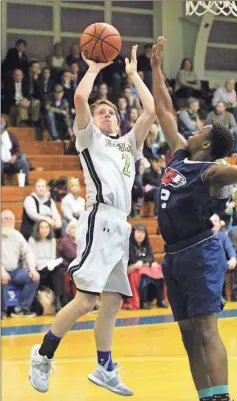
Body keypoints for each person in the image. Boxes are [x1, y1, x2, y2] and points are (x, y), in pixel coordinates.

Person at [29, 45, 155, 395]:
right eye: (102, 113)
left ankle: (104, 368)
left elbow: (152, 110)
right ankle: (42, 354)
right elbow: (82, 98)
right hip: (99, 218)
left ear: (119, 119)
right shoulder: (90, 139)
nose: (106, 115)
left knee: (112, 303)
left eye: (111, 112)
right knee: (87, 301)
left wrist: (134, 77)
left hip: (121, 225)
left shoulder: (129, 144)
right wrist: (95, 68)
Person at [151, 36, 236, 401]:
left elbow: (232, 171)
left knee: (205, 329)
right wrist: (155, 69)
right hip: (173, 255)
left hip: (201, 253)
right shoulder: (181, 157)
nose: (195, 126)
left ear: (207, 143)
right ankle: (206, 396)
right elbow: (164, 109)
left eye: (201, 128)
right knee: (187, 333)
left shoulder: (210, 171)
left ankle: (222, 397)